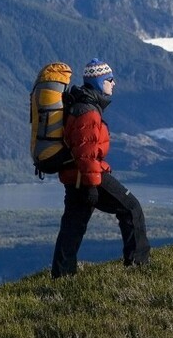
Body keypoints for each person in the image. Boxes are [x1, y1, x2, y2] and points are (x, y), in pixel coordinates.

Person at [51, 58, 151, 278]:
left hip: (74, 176)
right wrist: (92, 187)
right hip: (88, 175)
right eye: (109, 80)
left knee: (72, 228)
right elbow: (85, 153)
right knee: (131, 208)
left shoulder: (80, 105)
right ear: (98, 82)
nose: (114, 84)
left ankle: (62, 277)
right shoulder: (87, 111)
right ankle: (138, 266)